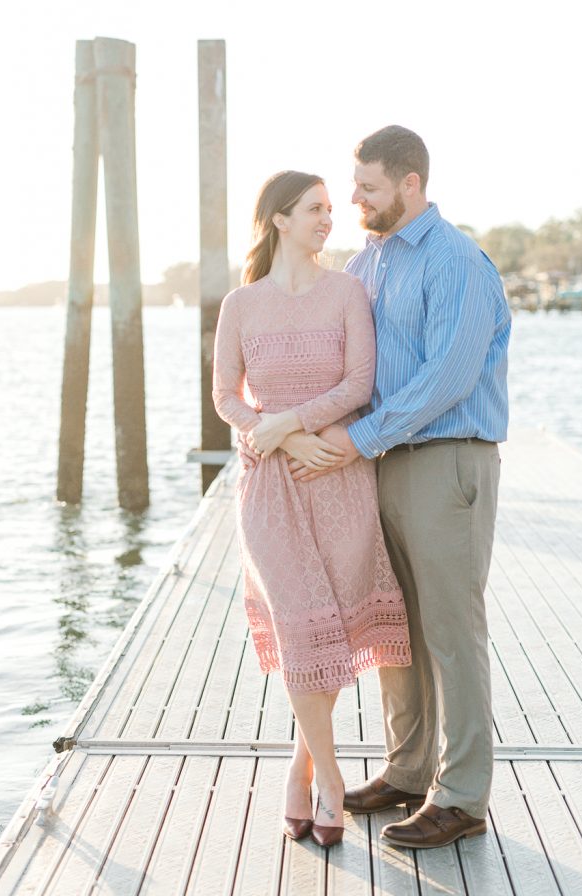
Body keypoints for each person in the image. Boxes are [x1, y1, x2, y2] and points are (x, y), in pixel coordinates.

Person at [288, 126, 511, 849]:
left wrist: (353, 439)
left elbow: (446, 378)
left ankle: (462, 794)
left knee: (449, 629)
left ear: (411, 183)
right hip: (377, 462)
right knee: (396, 633)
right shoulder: (365, 263)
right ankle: (408, 771)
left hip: (446, 460)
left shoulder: (457, 261)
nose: (353, 199)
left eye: (369, 188)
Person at [212, 170, 411, 848]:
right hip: (270, 485)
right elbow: (226, 398)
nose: (330, 218)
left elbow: (359, 382)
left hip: (337, 479)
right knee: (302, 632)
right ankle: (330, 781)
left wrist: (290, 423)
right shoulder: (241, 304)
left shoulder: (347, 291)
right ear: (278, 220)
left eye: (331, 208)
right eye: (315, 209)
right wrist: (274, 433)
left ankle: (298, 776)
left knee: (328, 638)